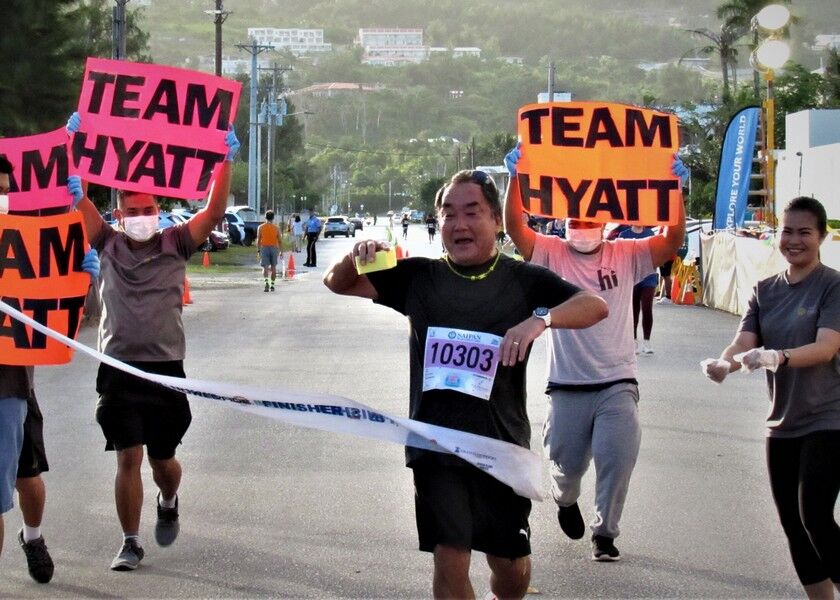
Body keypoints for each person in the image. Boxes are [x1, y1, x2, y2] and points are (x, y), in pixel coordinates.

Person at [324, 169, 608, 599]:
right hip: (435, 445)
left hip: (501, 446)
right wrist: (355, 256)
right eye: (449, 214)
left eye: (472, 212)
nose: (459, 224)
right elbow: (338, 283)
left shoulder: (523, 280)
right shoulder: (419, 276)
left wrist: (540, 320)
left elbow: (595, 305)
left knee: (510, 568)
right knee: (450, 555)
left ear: (496, 219)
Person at [67, 112, 238, 571]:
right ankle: (129, 541)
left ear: (158, 209)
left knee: (163, 462)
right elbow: (77, 197)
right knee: (128, 456)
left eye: (149, 210)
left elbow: (213, 213)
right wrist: (73, 147)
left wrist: (224, 161)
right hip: (118, 369)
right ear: (119, 214)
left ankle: (169, 498)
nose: (142, 218)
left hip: (165, 372)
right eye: (134, 212)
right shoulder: (107, 242)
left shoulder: (176, 242)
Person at [503, 144, 687, 561]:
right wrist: (516, 177)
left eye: (590, 219)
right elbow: (516, 227)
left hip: (617, 381)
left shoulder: (627, 254)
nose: (582, 226)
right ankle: (566, 499)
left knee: (617, 456)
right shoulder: (550, 252)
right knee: (566, 468)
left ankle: (605, 533)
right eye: (575, 219)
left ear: (606, 223)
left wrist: (674, 189)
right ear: (564, 221)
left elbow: (672, 240)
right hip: (567, 385)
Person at [701, 197, 840, 600]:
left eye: (804, 232)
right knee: (792, 524)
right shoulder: (765, 290)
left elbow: (826, 347)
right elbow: (744, 341)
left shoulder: (832, 286)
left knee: (814, 514)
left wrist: (779, 357)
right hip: (782, 423)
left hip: (828, 418)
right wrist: (724, 364)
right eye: (787, 231)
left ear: (822, 237)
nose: (794, 240)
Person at [0, 156, 99, 583]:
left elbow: (76, 313)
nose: (2, 198)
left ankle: (33, 535)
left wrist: (82, 281)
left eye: (6, 190)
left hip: (12, 385)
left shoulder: (26, 240)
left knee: (28, 476)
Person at [618, 226, 658, 354]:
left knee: (647, 307)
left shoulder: (650, 234)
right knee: (633, 309)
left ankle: (647, 341)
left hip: (649, 275)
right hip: (632, 275)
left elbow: (655, 253)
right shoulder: (624, 235)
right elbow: (619, 257)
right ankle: (633, 340)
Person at [256, 210, 282, 292]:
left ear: (265, 217)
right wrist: (281, 251)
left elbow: (258, 240)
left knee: (265, 267)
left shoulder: (261, 227)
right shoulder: (276, 228)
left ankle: (266, 283)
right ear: (273, 218)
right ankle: (272, 285)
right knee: (273, 267)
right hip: (274, 248)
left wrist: (258, 250)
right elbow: (280, 240)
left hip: (264, 248)